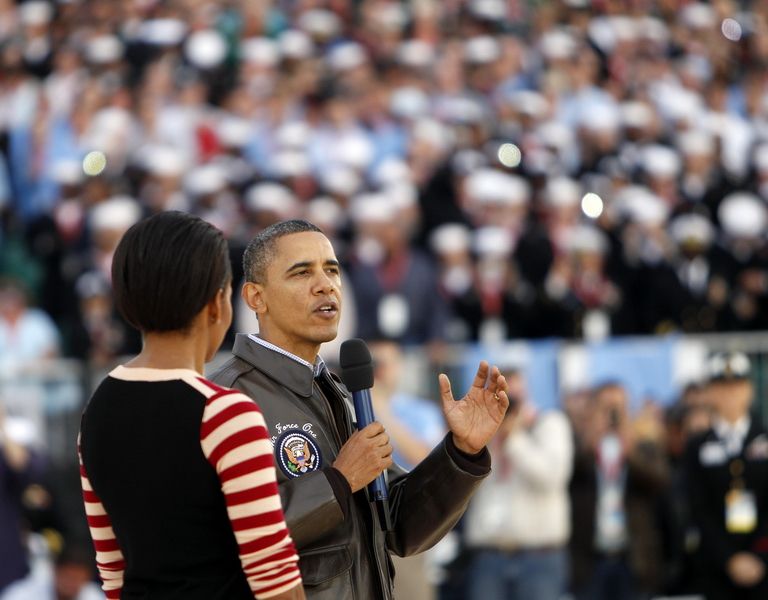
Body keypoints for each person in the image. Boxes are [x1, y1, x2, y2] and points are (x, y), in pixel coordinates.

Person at [210, 219, 510, 600]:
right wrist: (338, 482)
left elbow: (399, 527)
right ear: (256, 298)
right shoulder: (227, 399)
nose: (325, 285)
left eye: (331, 270)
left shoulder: (341, 393)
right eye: (302, 272)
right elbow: (224, 540)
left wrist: (461, 451)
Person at [77, 211, 305, 600]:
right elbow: (275, 579)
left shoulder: (95, 412)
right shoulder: (226, 414)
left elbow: (113, 573)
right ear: (217, 304)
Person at [462, 368, 573, 600]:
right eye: (500, 396)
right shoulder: (483, 434)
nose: (508, 404)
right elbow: (464, 487)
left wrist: (514, 439)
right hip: (489, 555)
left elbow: (552, 478)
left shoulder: (548, 423)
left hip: (538, 557)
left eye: (513, 398)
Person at [683, 352, 768, 599]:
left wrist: (759, 556)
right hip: (716, 569)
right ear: (710, 393)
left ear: (749, 390)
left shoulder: (764, 437)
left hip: (763, 567)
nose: (730, 395)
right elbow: (697, 507)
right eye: (722, 387)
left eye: (737, 386)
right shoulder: (697, 446)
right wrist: (729, 559)